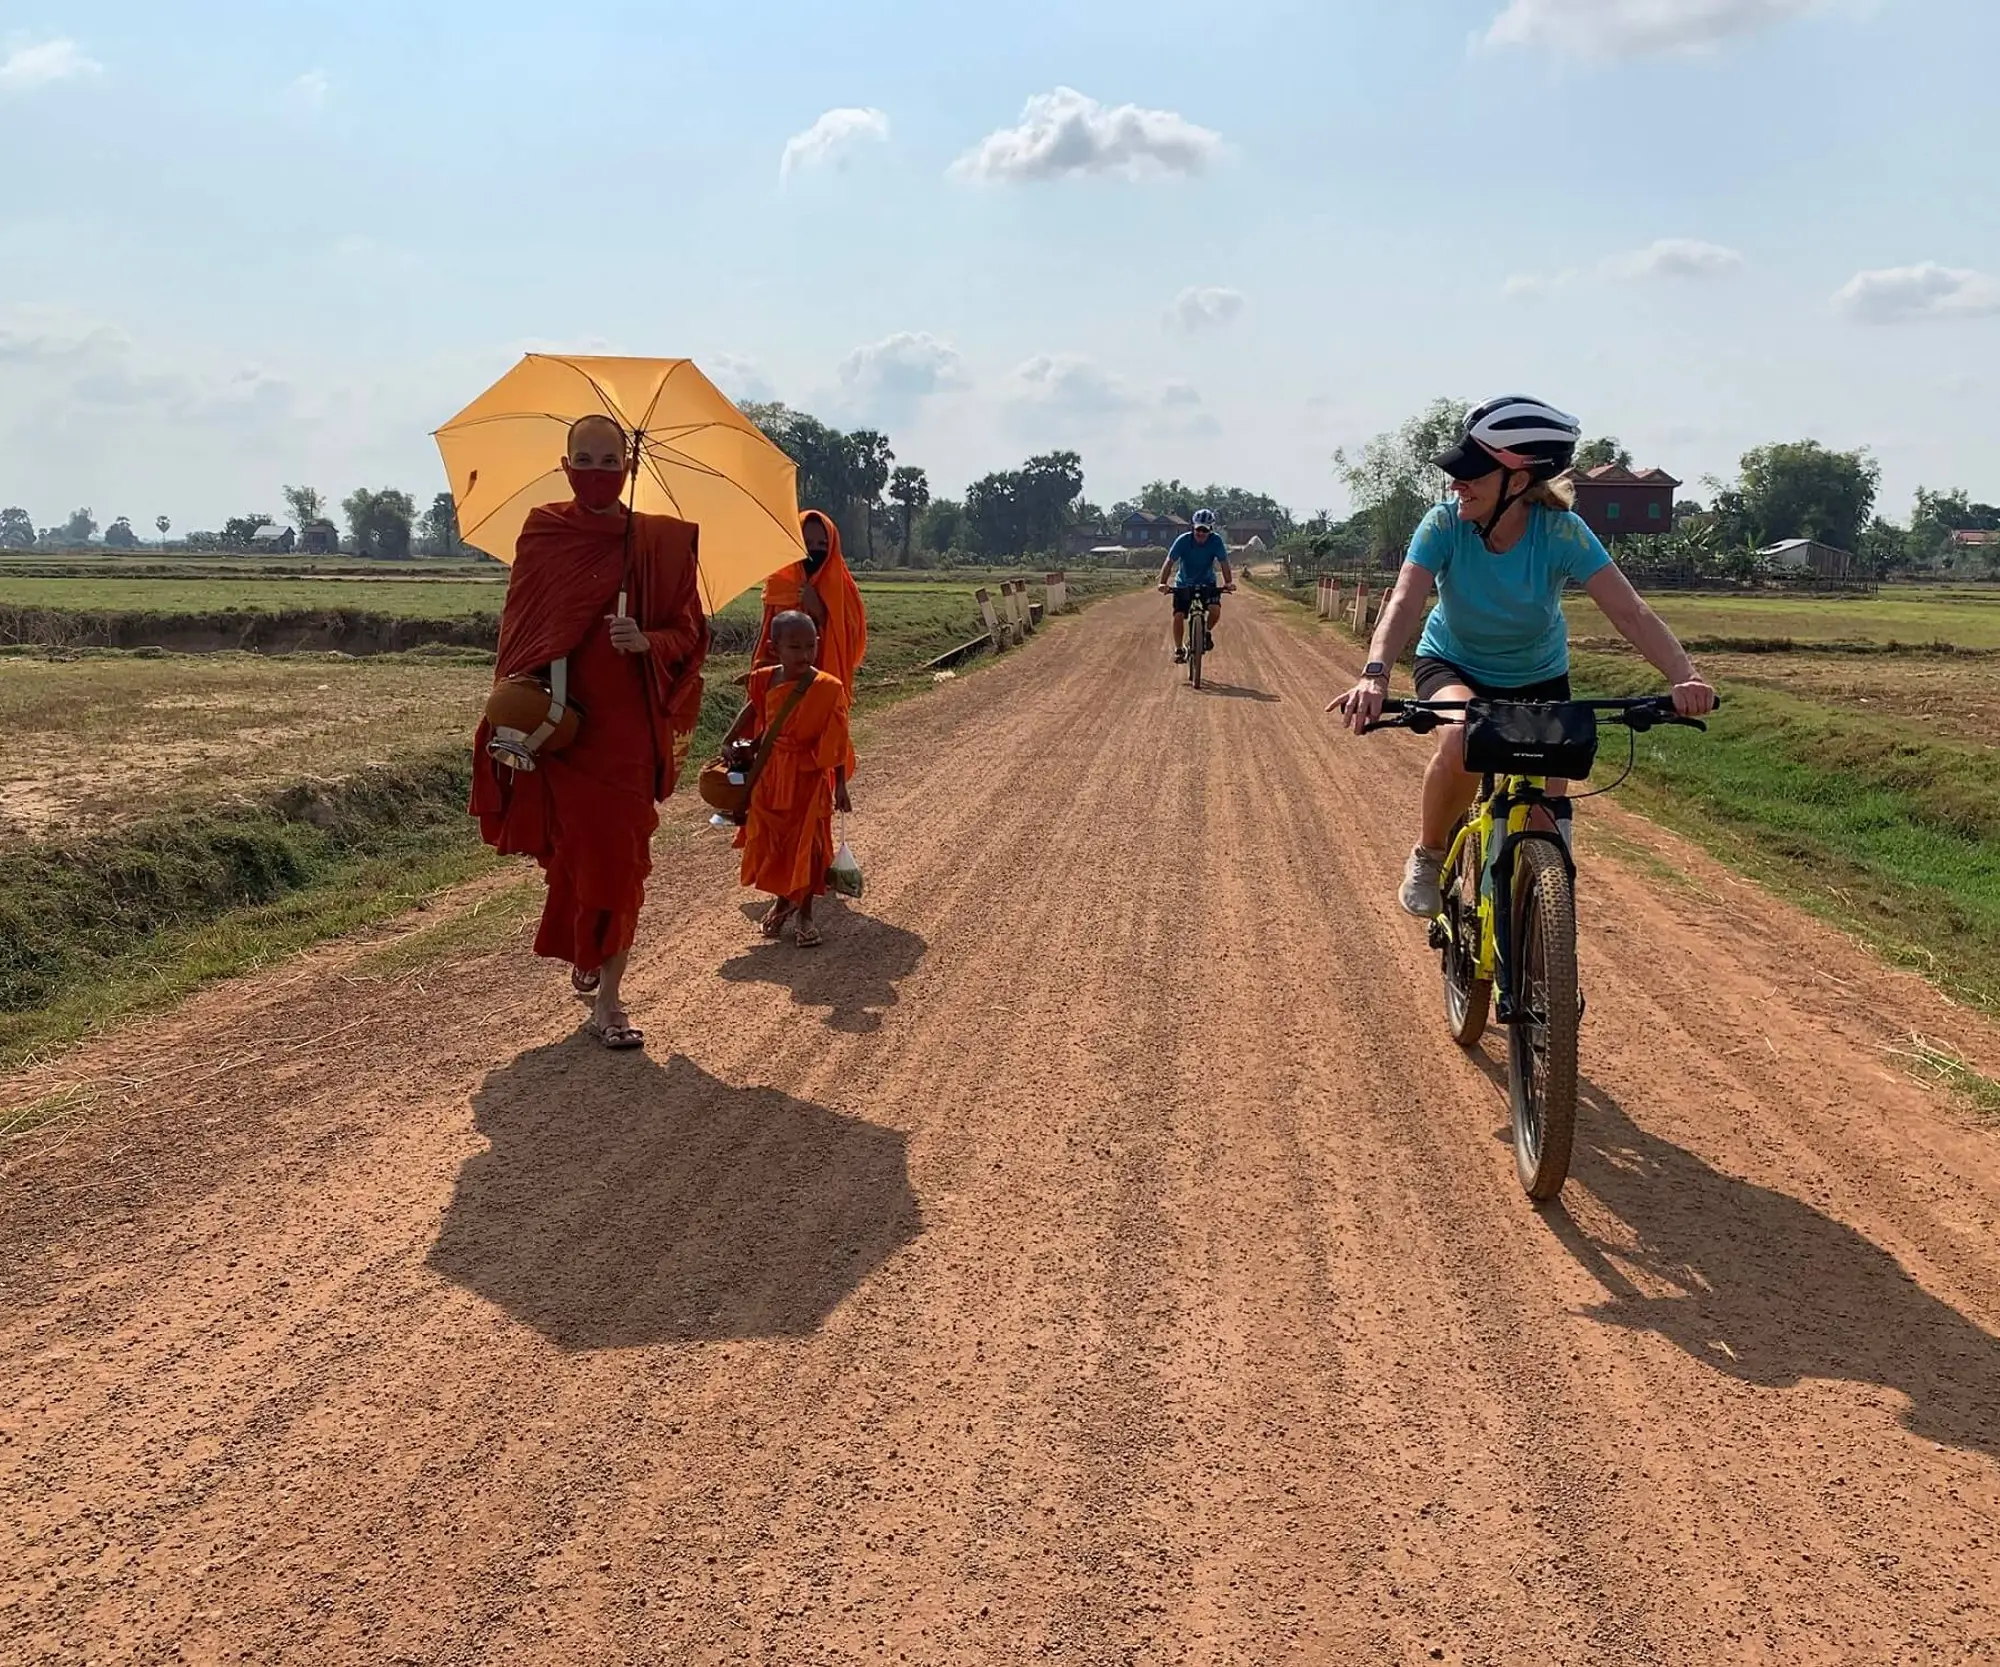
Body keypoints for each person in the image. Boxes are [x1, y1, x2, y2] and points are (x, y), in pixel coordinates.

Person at [1331, 395, 1716, 917]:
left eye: (1471, 473)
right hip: (1453, 663)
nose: (1455, 484)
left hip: (1538, 675)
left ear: (1518, 481)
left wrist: (1684, 676)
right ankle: (1430, 853)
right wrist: (1374, 675)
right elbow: (1404, 600)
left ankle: (1537, 943)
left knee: (1545, 823)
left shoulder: (1562, 532)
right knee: (1465, 736)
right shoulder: (1444, 524)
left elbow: (1630, 612)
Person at [470, 413, 709, 1049]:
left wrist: (646, 639)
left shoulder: (660, 542)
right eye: (587, 459)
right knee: (575, 854)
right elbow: (522, 628)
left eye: (610, 462)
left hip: (628, 737)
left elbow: (690, 635)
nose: (597, 473)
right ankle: (586, 944)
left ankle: (610, 1001)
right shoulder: (546, 530)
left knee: (622, 861)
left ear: (628, 468)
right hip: (564, 729)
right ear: (565, 461)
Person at [725, 610, 853, 949]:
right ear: (774, 647)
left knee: (808, 846)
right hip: (770, 775)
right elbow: (753, 708)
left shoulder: (827, 688)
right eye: (794, 647)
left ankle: (805, 914)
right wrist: (730, 737)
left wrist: (840, 784)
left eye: (810, 646)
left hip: (808, 775)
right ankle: (784, 900)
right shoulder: (764, 679)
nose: (805, 654)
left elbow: (837, 738)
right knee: (774, 844)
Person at [753, 510, 866, 775]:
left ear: (833, 546)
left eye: (822, 545)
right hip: (780, 692)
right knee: (774, 770)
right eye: (807, 544)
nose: (814, 551)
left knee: (817, 773)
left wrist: (822, 614)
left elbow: (854, 645)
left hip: (821, 693)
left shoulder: (842, 590)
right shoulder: (780, 582)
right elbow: (766, 639)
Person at [1158, 508, 1236, 662]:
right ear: (1193, 527)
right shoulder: (1183, 540)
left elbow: (1224, 562)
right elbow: (1169, 562)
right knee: (1179, 615)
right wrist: (1162, 583)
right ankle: (1179, 649)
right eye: (1198, 529)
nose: (1201, 533)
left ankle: (1205, 631)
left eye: (1204, 530)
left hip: (1207, 582)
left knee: (1215, 611)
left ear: (1210, 530)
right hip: (1184, 583)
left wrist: (1228, 583)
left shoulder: (1216, 541)